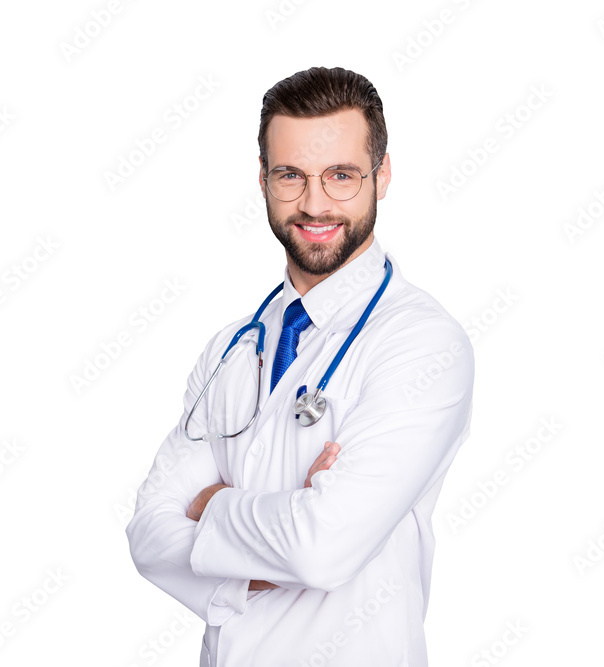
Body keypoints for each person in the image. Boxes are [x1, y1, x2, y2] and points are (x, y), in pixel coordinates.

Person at [125, 66, 474, 667]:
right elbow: (148, 535)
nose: (314, 203)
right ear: (263, 180)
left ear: (382, 175)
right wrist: (265, 543)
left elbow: (321, 549)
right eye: (291, 175)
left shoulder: (421, 344)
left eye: (341, 175)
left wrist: (209, 502)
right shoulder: (233, 348)